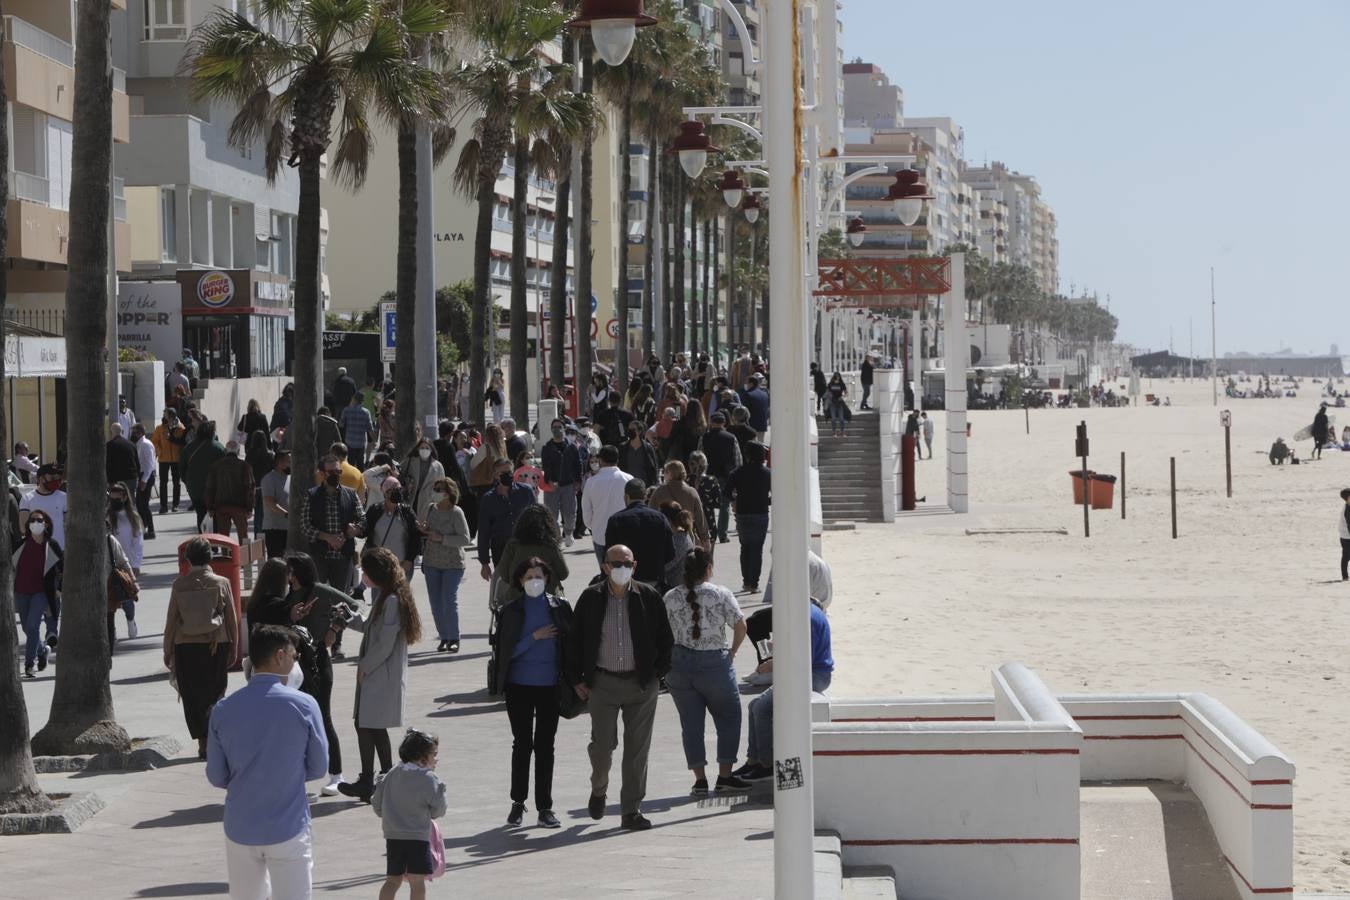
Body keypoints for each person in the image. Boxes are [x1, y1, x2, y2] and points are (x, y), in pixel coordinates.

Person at [206, 624, 329, 900]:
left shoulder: (223, 709)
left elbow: (216, 775)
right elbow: (319, 767)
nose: (295, 661)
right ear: (281, 655)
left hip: (241, 825)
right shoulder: (304, 705)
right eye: (295, 656)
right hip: (288, 824)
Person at [566, 544, 674, 830]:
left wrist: (657, 675)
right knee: (603, 747)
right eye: (616, 564)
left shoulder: (648, 597)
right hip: (603, 683)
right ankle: (599, 788)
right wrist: (576, 678)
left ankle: (631, 810)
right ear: (605, 567)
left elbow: (666, 639)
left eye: (627, 563)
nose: (621, 569)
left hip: (641, 685)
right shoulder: (591, 598)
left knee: (637, 749)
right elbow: (574, 640)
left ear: (635, 566)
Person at [493, 557, 575, 829]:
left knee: (545, 746)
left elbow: (571, 647)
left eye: (538, 576)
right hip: (519, 686)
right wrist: (534, 638)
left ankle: (545, 807)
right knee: (522, 743)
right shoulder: (511, 611)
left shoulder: (559, 607)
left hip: (550, 686)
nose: (533, 581)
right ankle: (518, 802)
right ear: (520, 581)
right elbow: (505, 654)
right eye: (528, 577)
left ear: (547, 578)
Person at [337, 547, 423, 802]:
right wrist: (349, 618)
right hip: (377, 673)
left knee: (368, 724)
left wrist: (364, 666)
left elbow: (384, 643)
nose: (363, 575)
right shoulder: (386, 596)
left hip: (379, 673)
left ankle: (374, 779)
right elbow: (369, 625)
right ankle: (380, 779)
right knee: (370, 725)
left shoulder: (392, 600)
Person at [663, 548, 749, 794]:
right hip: (714, 663)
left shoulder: (670, 597)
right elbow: (741, 625)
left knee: (690, 724)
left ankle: (699, 780)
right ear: (708, 568)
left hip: (679, 664)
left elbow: (661, 631)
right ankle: (724, 776)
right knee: (729, 718)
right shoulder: (721, 593)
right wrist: (732, 652)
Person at [165, 537, 240, 759]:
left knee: (192, 695)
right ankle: (216, 739)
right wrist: (234, 646)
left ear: (188, 559)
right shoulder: (221, 582)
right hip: (216, 644)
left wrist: (167, 649)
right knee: (215, 692)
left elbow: (172, 619)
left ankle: (202, 743)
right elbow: (231, 619)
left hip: (186, 647)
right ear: (210, 557)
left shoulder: (179, 585)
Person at [285, 553, 352, 796]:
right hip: (294, 664)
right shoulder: (289, 595)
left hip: (318, 661)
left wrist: (334, 628)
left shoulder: (321, 590)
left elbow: (351, 605)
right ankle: (299, 774)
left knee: (323, 717)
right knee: (297, 721)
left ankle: (337, 774)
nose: (288, 576)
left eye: (291, 571)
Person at [372, 729, 447, 900]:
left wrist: (388, 815)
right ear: (422, 759)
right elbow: (439, 810)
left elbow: (377, 803)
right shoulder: (429, 779)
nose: (436, 759)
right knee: (417, 882)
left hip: (393, 837)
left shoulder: (392, 774)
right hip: (417, 839)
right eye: (433, 755)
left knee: (392, 880)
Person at [419, 478, 473, 652]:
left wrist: (442, 538)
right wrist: (424, 530)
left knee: (449, 601)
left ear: (449, 493)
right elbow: (427, 530)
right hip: (431, 563)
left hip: (452, 564)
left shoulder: (456, 512)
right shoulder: (430, 509)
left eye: (439, 489)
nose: (435, 491)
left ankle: (454, 637)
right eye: (434, 488)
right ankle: (444, 637)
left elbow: (465, 539)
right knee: (436, 604)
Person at [300, 454, 365, 593]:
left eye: (338, 472)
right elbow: (305, 525)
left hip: (343, 556)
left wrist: (355, 529)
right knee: (317, 595)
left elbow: (363, 519)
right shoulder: (312, 495)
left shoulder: (351, 494)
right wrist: (327, 537)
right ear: (322, 474)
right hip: (320, 556)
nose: (336, 475)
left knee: (341, 598)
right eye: (332, 472)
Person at [13, 511, 62, 678]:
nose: (35, 523)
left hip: (41, 593)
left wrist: (59, 588)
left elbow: (63, 569)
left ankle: (29, 663)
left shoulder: (52, 545)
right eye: (32, 520)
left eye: (39, 520)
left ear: (46, 524)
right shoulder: (20, 545)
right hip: (21, 592)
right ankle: (42, 651)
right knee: (28, 628)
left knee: (33, 626)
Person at [494, 504, 570, 609]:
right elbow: (563, 574)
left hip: (516, 600)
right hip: (550, 601)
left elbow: (503, 574)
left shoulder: (512, 545)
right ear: (548, 524)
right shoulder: (550, 544)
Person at [604, 480, 676, 589]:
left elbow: (609, 553)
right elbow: (670, 553)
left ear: (626, 496)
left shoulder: (616, 520)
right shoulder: (660, 518)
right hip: (653, 578)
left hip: (625, 579)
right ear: (645, 496)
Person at [477, 459, 537, 586]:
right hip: (501, 551)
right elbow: (484, 532)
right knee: (506, 588)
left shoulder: (526, 492)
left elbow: (537, 520)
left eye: (509, 472)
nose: (506, 475)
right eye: (502, 473)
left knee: (528, 586)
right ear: (495, 475)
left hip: (525, 548)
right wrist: (484, 563)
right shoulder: (488, 499)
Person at [581, 445, 634, 567]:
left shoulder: (591, 482)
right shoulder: (629, 479)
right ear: (617, 459)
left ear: (601, 460)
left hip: (600, 534)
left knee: (605, 572)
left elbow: (586, 511)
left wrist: (594, 527)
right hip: (625, 534)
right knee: (626, 572)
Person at [729, 442, 771, 593]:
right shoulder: (768, 473)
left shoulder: (737, 472)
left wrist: (735, 501)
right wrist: (767, 500)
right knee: (757, 549)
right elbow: (776, 494)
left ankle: (746, 582)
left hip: (742, 513)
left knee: (745, 548)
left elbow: (727, 492)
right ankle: (754, 584)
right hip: (760, 513)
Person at [361, 477, 424, 578]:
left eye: (399, 489)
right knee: (379, 594)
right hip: (379, 565)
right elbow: (364, 531)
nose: (397, 492)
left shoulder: (406, 511)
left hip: (402, 565)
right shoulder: (375, 510)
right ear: (385, 493)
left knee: (401, 593)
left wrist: (409, 560)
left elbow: (415, 537)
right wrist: (356, 528)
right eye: (393, 490)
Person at [697, 413, 741, 544]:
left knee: (707, 505)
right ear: (724, 423)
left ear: (711, 422)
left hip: (708, 475)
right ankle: (722, 534)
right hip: (726, 475)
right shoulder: (731, 438)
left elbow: (699, 457)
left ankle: (711, 532)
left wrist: (699, 474)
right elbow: (738, 459)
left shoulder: (704, 437)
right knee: (725, 505)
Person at [650, 460, 711, 550]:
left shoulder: (659, 491)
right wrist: (705, 537)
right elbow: (700, 517)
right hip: (687, 537)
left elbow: (651, 514)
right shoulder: (691, 492)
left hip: (665, 538)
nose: (663, 475)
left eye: (665, 472)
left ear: (670, 474)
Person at [541, 417, 583, 546]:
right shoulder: (546, 447)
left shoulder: (571, 447)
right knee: (552, 514)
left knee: (570, 512)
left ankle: (569, 533)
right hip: (552, 486)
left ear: (564, 429)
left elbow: (578, 464)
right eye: (554, 427)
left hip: (568, 485)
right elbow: (545, 466)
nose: (557, 429)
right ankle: (557, 537)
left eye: (559, 427)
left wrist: (578, 481)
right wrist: (549, 481)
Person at [207, 441, 256, 542]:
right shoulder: (244, 466)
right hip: (240, 507)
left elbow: (210, 488)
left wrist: (210, 507)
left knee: (224, 537)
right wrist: (250, 508)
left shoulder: (216, 466)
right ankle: (243, 556)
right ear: (238, 451)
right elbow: (249, 488)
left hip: (221, 506)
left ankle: (226, 556)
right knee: (243, 536)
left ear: (225, 450)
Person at [183, 420, 226, 531]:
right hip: (214, 489)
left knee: (201, 515)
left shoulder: (188, 448)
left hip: (194, 488)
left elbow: (182, 469)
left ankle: (203, 542)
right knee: (215, 516)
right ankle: (215, 543)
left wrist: (187, 482)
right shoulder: (219, 448)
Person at [20, 464, 68, 555]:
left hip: (59, 550)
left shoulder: (64, 497)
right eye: (52, 477)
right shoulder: (27, 499)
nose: (56, 480)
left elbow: (68, 524)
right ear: (41, 479)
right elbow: (23, 528)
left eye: (58, 477)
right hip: (36, 551)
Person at [763, 548, 834, 609]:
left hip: (813, 608)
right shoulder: (803, 557)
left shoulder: (802, 565)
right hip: (815, 604)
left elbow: (799, 601)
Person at [260, 450, 292, 559]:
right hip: (274, 529)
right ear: (279, 462)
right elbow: (269, 502)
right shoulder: (269, 479)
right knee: (276, 562)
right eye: (289, 461)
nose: (291, 463)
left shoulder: (290, 478)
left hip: (288, 528)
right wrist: (287, 514)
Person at [402, 437, 445, 518]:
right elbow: (401, 475)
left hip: (428, 500)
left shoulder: (438, 465)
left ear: (431, 449)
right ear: (418, 449)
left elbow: (442, 486)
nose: (424, 450)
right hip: (411, 497)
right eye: (422, 448)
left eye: (427, 448)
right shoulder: (410, 461)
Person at [659, 502, 696, 592]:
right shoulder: (679, 535)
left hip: (676, 588)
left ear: (667, 519)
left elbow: (666, 566)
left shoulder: (679, 540)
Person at [130, 423, 158, 539]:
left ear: (140, 432)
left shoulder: (146, 444)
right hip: (142, 475)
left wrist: (144, 480)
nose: (133, 435)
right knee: (140, 504)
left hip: (146, 475)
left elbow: (150, 464)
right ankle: (145, 527)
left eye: (135, 432)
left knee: (144, 505)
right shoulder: (139, 444)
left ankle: (151, 530)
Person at [245, 429, 275, 536]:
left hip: (254, 487)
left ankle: (257, 536)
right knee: (263, 515)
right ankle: (262, 536)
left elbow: (247, 471)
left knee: (256, 514)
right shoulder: (270, 454)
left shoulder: (249, 455)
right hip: (266, 487)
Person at [106, 422, 141, 502]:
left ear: (111, 433)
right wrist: (137, 477)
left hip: (115, 480)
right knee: (131, 502)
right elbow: (137, 463)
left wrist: (108, 481)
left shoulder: (109, 446)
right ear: (122, 431)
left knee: (117, 503)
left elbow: (108, 465)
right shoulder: (131, 445)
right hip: (131, 479)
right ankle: (132, 514)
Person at [618, 421, 661, 485]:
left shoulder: (648, 448)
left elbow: (654, 466)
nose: (630, 431)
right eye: (629, 429)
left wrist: (656, 482)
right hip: (627, 483)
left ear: (639, 431)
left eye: (632, 429)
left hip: (644, 484)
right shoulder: (623, 447)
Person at [341, 391, 376, 469]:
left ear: (354, 399)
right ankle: (360, 479)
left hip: (349, 441)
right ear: (362, 401)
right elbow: (370, 429)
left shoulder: (346, 410)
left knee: (350, 464)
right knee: (360, 464)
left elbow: (341, 424)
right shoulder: (366, 412)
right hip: (361, 442)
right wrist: (374, 441)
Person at [739, 373, 770, 440]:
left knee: (752, 446)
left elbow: (744, 411)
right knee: (761, 444)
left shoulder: (747, 394)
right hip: (762, 424)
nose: (745, 385)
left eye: (747, 383)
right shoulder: (765, 394)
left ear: (751, 383)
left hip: (751, 425)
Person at [826, 372, 848, 438]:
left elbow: (846, 392)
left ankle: (842, 432)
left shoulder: (841, 384)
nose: (837, 379)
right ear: (834, 377)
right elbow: (827, 392)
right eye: (836, 377)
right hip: (832, 403)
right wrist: (830, 395)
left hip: (840, 403)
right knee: (833, 419)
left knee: (841, 419)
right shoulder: (830, 384)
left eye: (838, 377)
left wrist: (842, 396)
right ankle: (834, 432)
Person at [1339, 488, 1350, 582]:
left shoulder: (1348, 506)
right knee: (1346, 557)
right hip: (1347, 538)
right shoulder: (1347, 510)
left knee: (1346, 557)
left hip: (1345, 536)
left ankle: (1345, 577)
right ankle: (1345, 577)